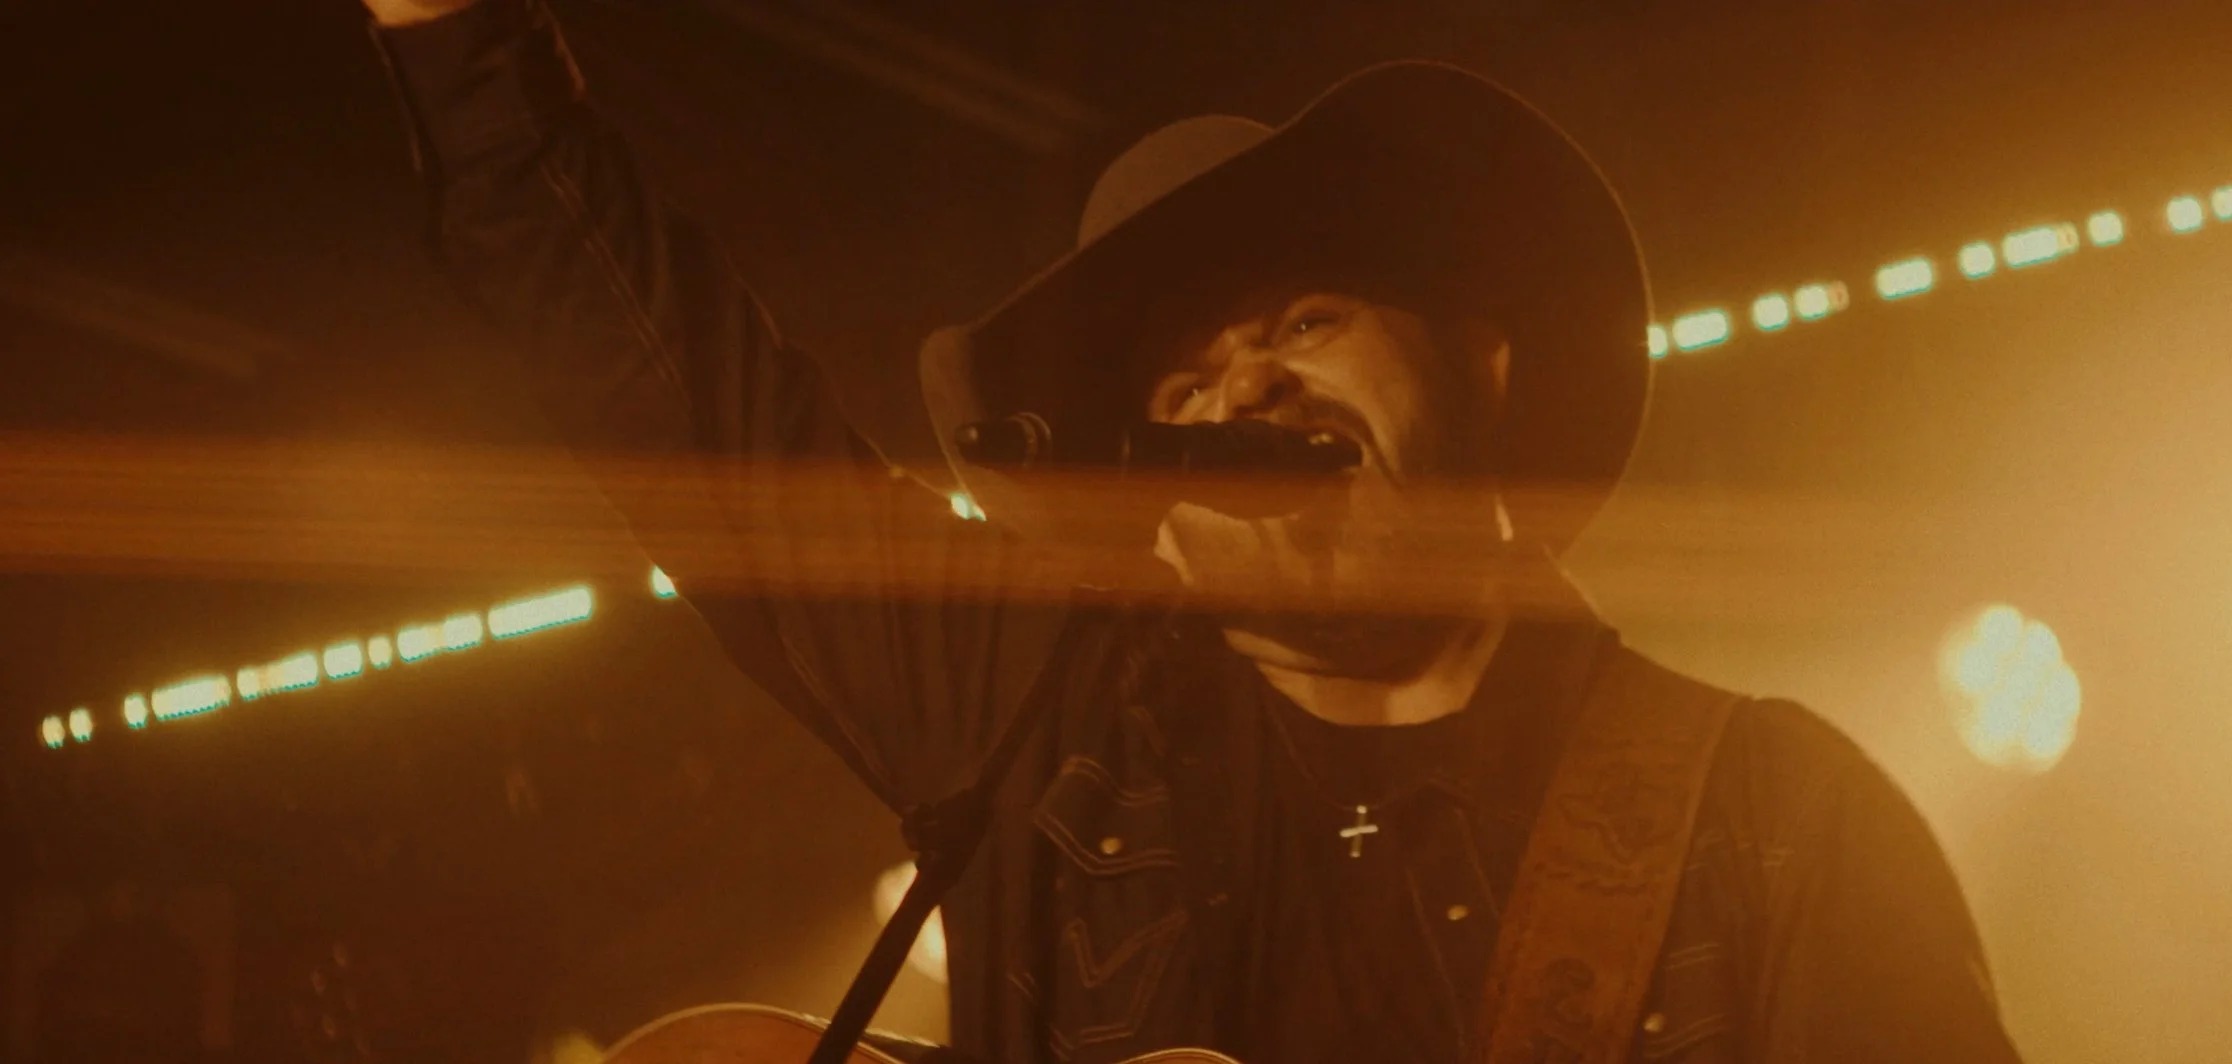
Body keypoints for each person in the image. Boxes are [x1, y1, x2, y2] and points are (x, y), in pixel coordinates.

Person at [360, 0, 2026, 1061]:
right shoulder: (1040, 714)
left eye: (1302, 324)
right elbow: (693, 416)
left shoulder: (1775, 823)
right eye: (1184, 379)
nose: (1239, 400)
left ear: (1485, 358)